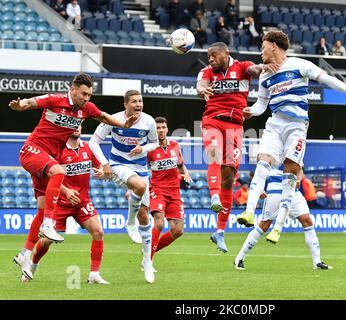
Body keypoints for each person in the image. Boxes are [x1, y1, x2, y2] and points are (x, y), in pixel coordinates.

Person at [236, 31, 346, 244]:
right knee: (262, 161)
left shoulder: (299, 64)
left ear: (273, 46)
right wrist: (250, 111)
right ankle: (249, 212)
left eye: (263, 47)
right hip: (275, 124)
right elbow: (261, 105)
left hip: (296, 127)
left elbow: (327, 78)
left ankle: (278, 227)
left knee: (291, 172)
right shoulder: (264, 75)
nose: (260, 51)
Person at [11, 73, 137, 281]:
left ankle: (25, 255)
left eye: (89, 94)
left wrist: (123, 125)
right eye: (84, 93)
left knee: (42, 207)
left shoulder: (86, 109)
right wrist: (21, 105)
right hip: (32, 150)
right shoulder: (55, 99)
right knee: (59, 171)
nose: (87, 98)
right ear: (73, 89)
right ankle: (49, 225)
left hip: (48, 160)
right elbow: (33, 101)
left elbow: (104, 116)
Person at [196, 41, 278, 253]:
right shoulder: (207, 72)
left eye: (214, 56)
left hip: (235, 126)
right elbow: (201, 85)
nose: (211, 60)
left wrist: (263, 67)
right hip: (212, 119)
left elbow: (254, 69)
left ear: (226, 54)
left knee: (230, 176)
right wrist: (203, 90)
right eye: (209, 57)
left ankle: (220, 231)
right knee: (213, 154)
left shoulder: (242, 67)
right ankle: (213, 195)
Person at [22, 126, 109, 284]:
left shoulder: (89, 148)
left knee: (98, 232)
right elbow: (49, 177)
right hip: (60, 202)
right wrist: (66, 191)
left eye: (79, 125)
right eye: (73, 125)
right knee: (47, 240)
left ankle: (94, 274)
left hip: (82, 201)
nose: (76, 128)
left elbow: (99, 167)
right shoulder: (58, 150)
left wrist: (101, 172)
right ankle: (33, 264)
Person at [89, 90, 158, 246]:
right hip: (118, 164)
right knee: (140, 186)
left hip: (141, 168)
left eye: (140, 101)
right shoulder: (114, 119)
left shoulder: (149, 121)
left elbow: (155, 143)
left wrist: (143, 149)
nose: (138, 104)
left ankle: (147, 261)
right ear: (125, 104)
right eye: (134, 101)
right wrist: (105, 164)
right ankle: (130, 222)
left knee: (144, 214)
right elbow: (93, 142)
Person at [234, 167, 332, 270]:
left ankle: (317, 262)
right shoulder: (270, 151)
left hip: (293, 191)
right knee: (264, 225)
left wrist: (298, 179)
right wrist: (259, 188)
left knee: (307, 220)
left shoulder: (297, 150)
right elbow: (261, 167)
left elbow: (299, 168)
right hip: (275, 191)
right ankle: (240, 258)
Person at [142, 116, 191, 283]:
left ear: (167, 129)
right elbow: (141, 169)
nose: (161, 130)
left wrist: (186, 172)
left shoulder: (175, 146)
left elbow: (180, 165)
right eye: (157, 128)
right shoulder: (149, 149)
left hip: (175, 193)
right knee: (159, 223)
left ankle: (148, 253)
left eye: (163, 127)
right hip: (158, 190)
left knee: (178, 231)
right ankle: (148, 261)